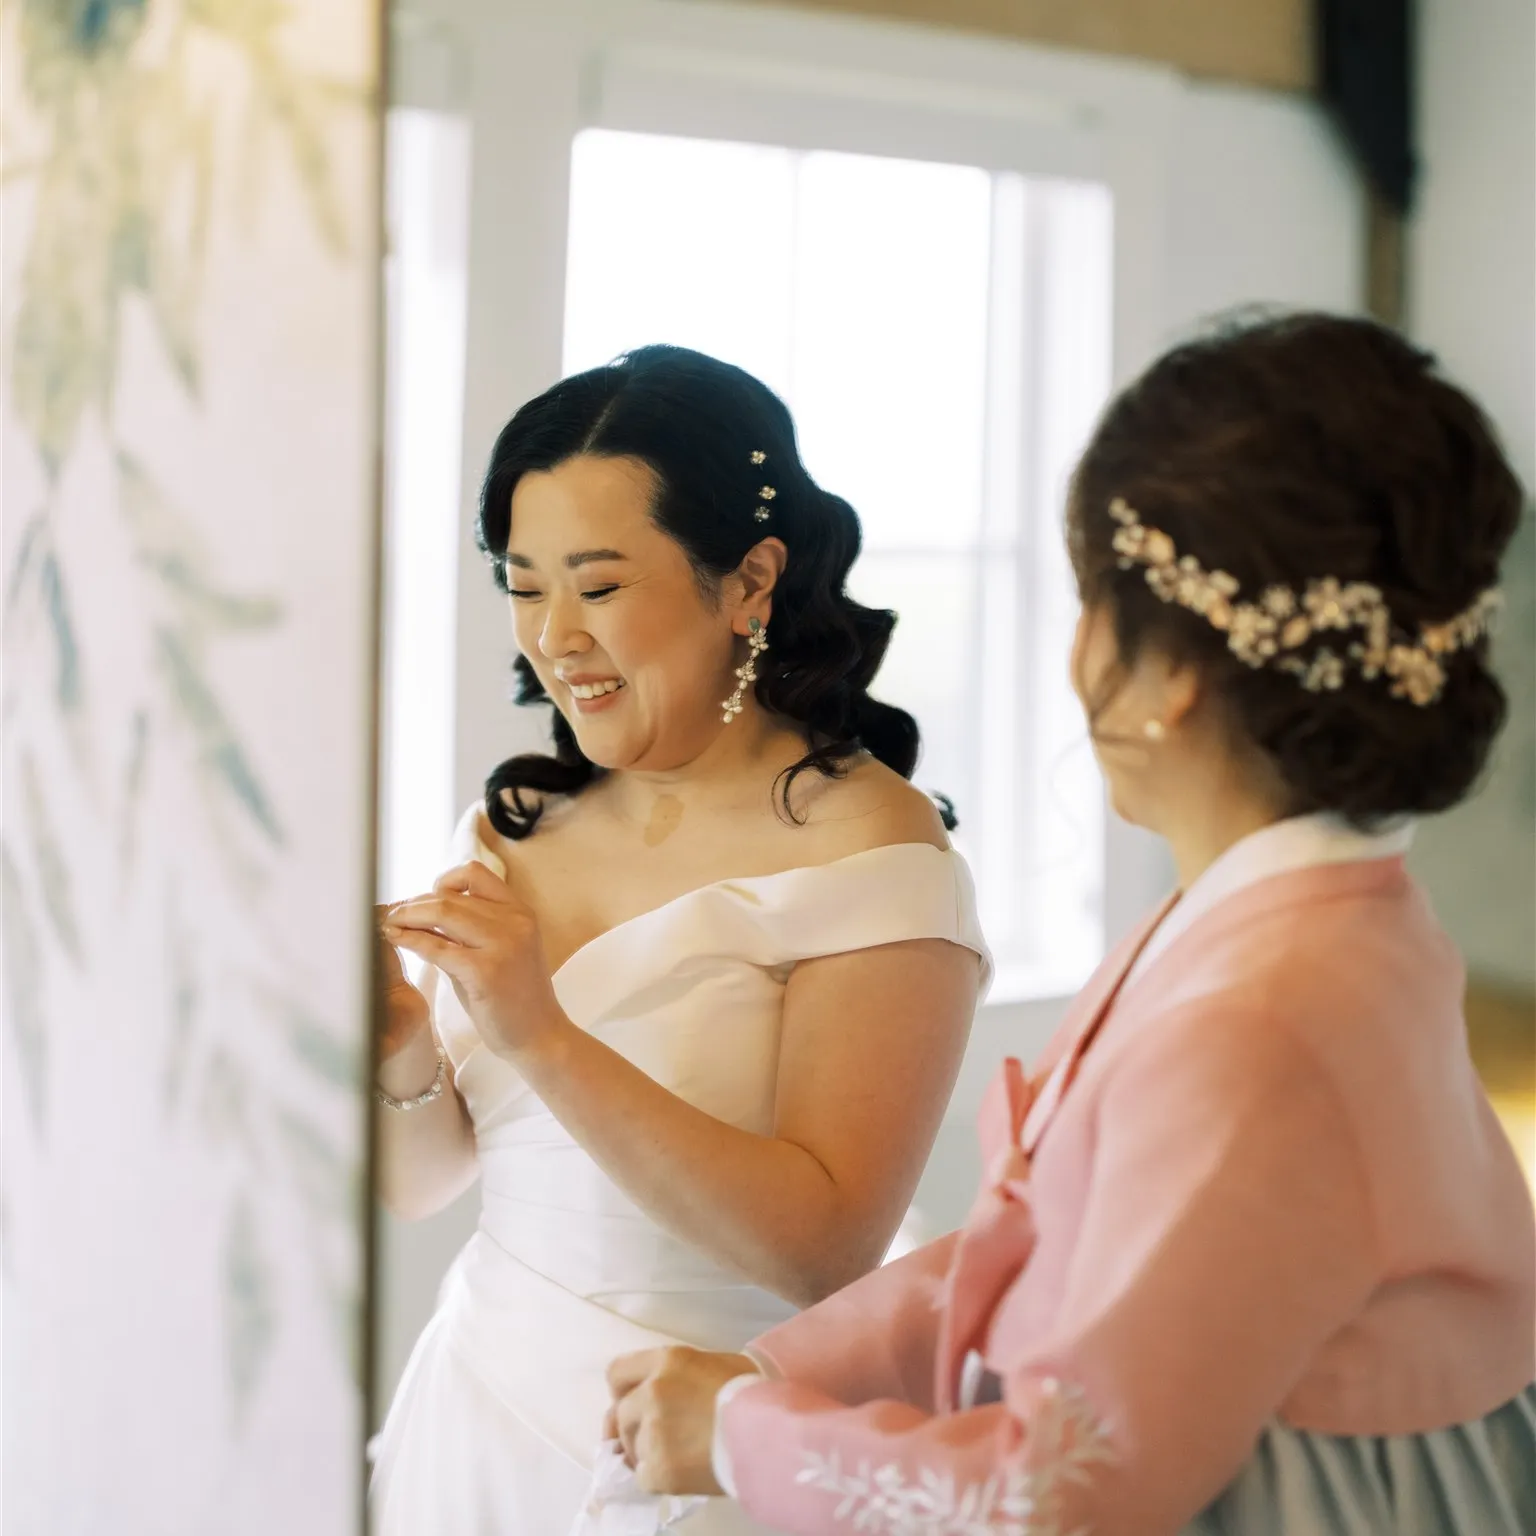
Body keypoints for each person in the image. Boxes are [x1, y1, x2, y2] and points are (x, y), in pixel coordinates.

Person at [605, 313, 1536, 1536]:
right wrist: (792, 1369)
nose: (1077, 649)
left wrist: (741, 1436)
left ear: (1177, 671)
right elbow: (1044, 1246)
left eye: (1093, 600)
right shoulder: (1311, 914)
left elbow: (1059, 1496)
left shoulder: (1259, 1018)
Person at [368, 345, 992, 1534]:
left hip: (697, 1459)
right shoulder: (516, 824)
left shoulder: (868, 843)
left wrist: (540, 1031)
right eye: (523, 581)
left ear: (750, 580)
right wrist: (404, 1050)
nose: (554, 636)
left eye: (598, 587)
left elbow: (822, 1249)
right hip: (478, 1425)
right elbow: (435, 1186)